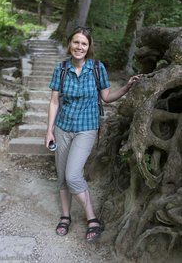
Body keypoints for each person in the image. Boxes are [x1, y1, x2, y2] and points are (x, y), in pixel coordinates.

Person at [45, 26, 142, 242]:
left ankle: (92, 218)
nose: (79, 47)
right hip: (62, 128)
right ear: (70, 44)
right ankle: (65, 216)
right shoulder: (60, 69)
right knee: (62, 177)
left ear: (89, 47)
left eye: (84, 43)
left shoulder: (97, 68)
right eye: (76, 42)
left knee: (72, 175)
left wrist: (126, 87)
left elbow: (106, 97)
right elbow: (54, 102)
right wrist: (49, 130)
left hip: (86, 129)